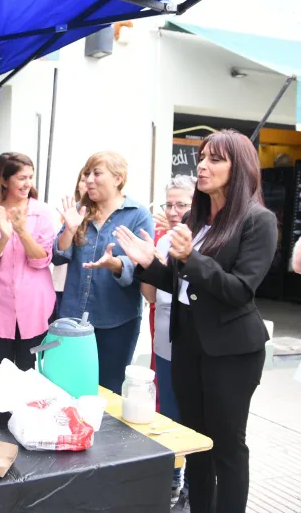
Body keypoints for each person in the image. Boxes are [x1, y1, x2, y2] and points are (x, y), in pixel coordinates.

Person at [115, 130, 276, 513]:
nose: (202, 165)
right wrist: (147, 265)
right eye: (201, 157)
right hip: (188, 345)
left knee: (227, 446)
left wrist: (191, 259)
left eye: (215, 159)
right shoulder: (195, 217)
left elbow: (240, 290)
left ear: (239, 169)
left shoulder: (258, 221)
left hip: (232, 351)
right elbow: (177, 282)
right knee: (197, 441)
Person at [53, 151, 153, 394]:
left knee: (108, 391)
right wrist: (69, 229)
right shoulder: (80, 211)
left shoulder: (137, 214)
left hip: (117, 320)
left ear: (118, 179)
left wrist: (116, 265)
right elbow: (57, 255)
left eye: (97, 173)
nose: (88, 179)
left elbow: (144, 265)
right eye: (87, 174)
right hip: (74, 318)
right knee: (69, 387)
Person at [140, 174, 196, 506]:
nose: (174, 212)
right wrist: (148, 264)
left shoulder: (203, 240)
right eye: (169, 204)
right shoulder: (161, 242)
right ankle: (174, 477)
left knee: (192, 416)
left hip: (193, 344)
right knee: (168, 414)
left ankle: (191, 485)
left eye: (182, 204)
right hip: (163, 342)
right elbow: (149, 295)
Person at [0, 153, 55, 370]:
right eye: (21, 178)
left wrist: (21, 232)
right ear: (4, 180)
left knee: (35, 378)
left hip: (37, 312)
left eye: (30, 177)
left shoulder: (42, 213)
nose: (28, 183)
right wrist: (3, 239)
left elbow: (42, 260)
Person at [52, 170, 87, 311]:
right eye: (83, 180)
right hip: (62, 284)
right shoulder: (67, 211)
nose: (89, 183)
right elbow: (55, 249)